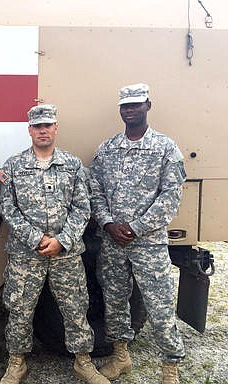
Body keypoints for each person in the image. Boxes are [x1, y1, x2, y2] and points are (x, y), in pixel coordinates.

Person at [0, 104, 109, 384]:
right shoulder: (13, 166)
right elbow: (7, 208)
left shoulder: (72, 166)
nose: (42, 130)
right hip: (26, 255)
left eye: (48, 125)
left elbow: (83, 207)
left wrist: (62, 240)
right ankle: (17, 363)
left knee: (75, 307)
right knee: (20, 309)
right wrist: (36, 238)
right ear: (30, 130)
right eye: (37, 126)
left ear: (56, 128)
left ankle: (83, 362)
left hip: (65, 254)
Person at [89, 83, 186, 384]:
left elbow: (171, 196)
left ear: (148, 106)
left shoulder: (165, 148)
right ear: (120, 110)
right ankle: (121, 357)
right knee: (115, 302)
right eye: (125, 105)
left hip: (149, 244)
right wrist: (107, 224)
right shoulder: (107, 148)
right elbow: (95, 190)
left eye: (136, 104)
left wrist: (135, 227)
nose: (130, 110)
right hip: (112, 243)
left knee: (160, 306)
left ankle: (170, 367)